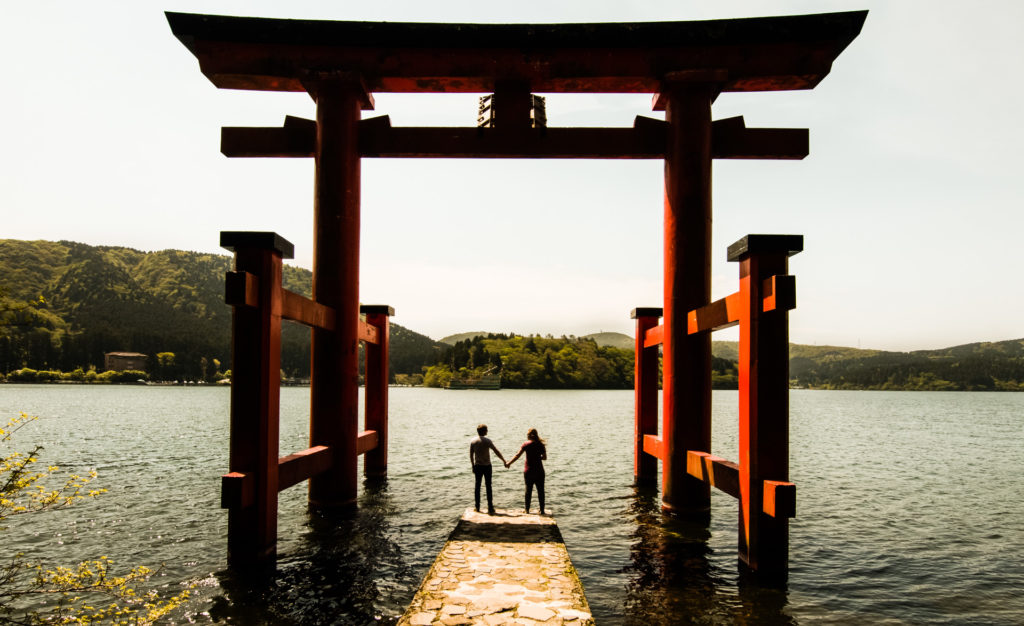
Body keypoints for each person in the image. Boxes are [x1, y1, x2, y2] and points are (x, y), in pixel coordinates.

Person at [505, 428, 547, 515]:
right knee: (541, 491)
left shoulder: (526, 445)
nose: (526, 435)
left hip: (529, 471)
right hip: (539, 471)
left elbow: (517, 455)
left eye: (527, 434)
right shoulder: (541, 444)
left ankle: (527, 510)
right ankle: (542, 510)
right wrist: (537, 457)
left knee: (528, 491)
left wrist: (509, 463)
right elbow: (545, 458)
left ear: (531, 435)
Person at [469, 424, 507, 515]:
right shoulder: (488, 441)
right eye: (486, 430)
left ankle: (477, 507)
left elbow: (471, 455)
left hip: (477, 466)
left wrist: (472, 465)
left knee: (477, 486)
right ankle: (490, 507)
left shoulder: (473, 441)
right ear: (483, 431)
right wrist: (504, 460)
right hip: (487, 466)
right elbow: (496, 451)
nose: (487, 431)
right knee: (488, 486)